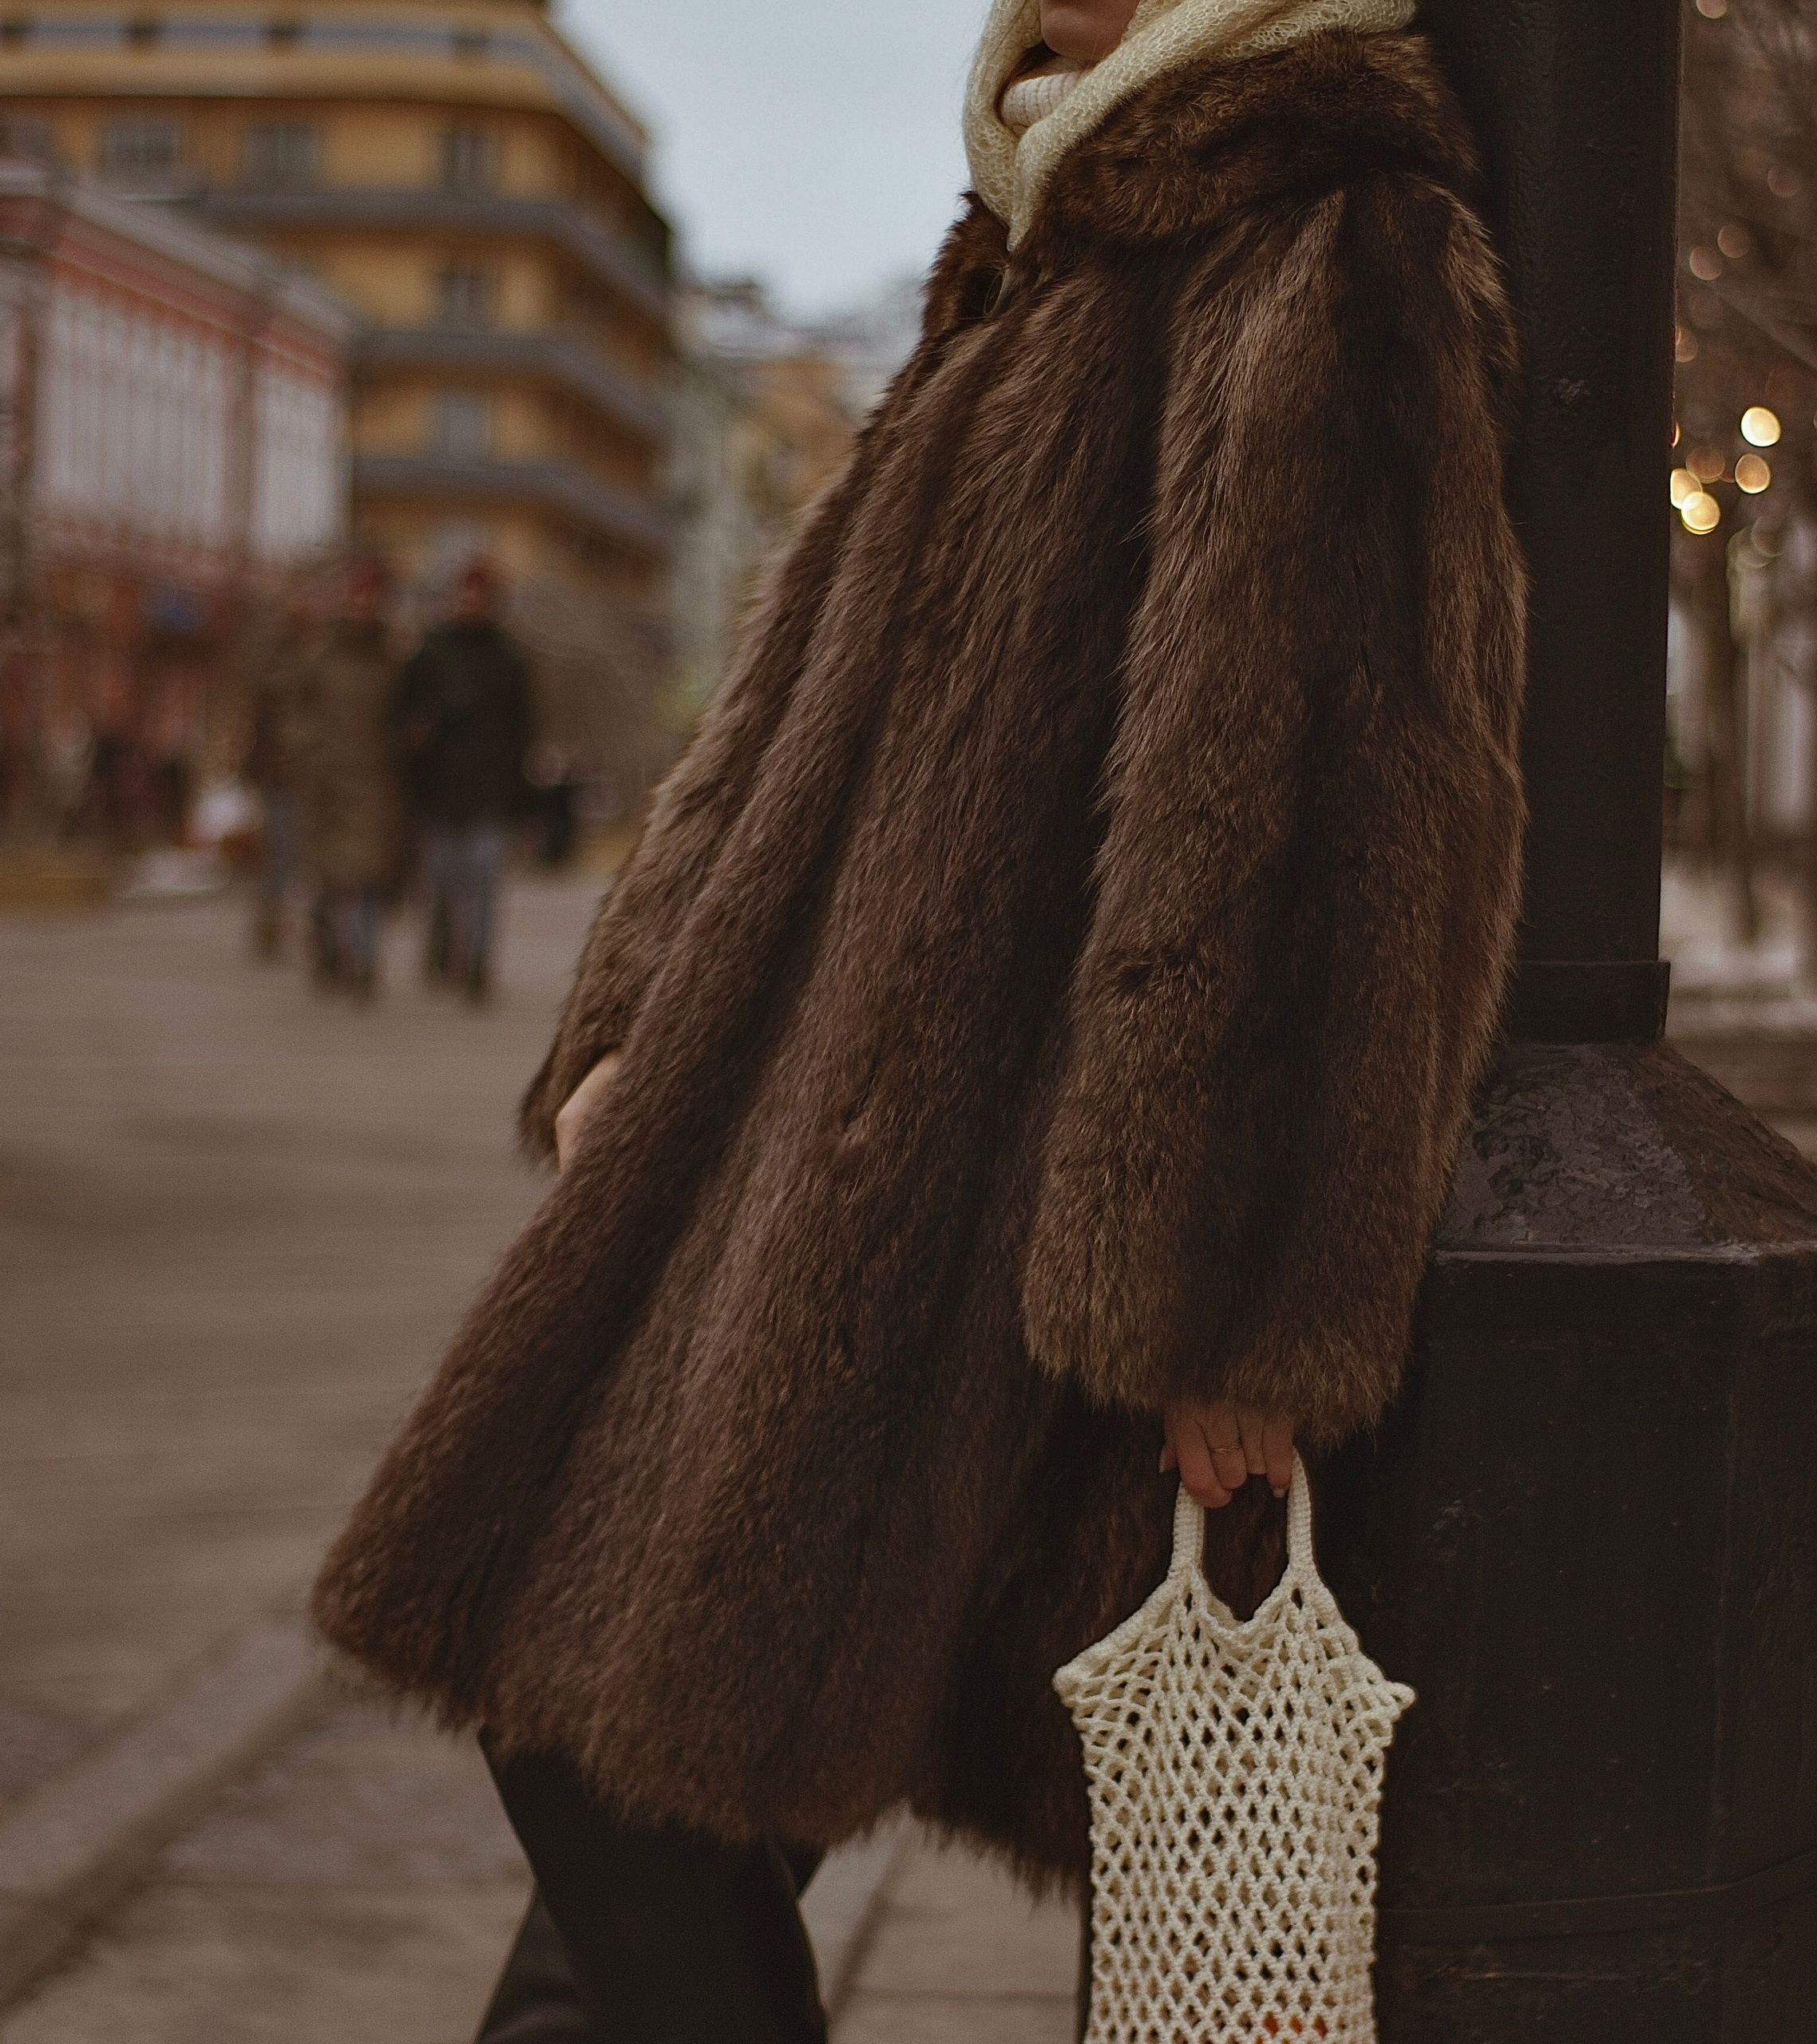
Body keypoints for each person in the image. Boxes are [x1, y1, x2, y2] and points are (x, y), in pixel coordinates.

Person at [315, 0, 1527, 2035]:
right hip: (809, 1132)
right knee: (634, 1780)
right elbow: (794, 693)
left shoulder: (1322, 227)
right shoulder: (1048, 225)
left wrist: (1226, 1293)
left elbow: (1332, 798)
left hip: (999, 1194)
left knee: (604, 1753)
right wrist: (629, 1004)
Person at [397, 560, 536, 1004]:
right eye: (465, 594)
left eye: (480, 596)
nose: (472, 603)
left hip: (488, 792)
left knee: (482, 882)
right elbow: (403, 715)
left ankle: (477, 964)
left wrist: (519, 795)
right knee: (440, 883)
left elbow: (523, 732)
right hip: (438, 790)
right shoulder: (432, 652)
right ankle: (441, 952)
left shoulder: (509, 660)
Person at [289, 559, 406, 1000]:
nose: (362, 607)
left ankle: (364, 961)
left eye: (370, 600)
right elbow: (297, 711)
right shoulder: (321, 657)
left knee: (370, 878)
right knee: (329, 880)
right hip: (327, 784)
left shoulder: (393, 662)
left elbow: (407, 717)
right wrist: (308, 749)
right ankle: (329, 948)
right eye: (356, 598)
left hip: (378, 785)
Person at [243, 598, 315, 960]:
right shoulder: (283, 667)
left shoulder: (301, 664)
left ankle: (278, 926)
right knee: (284, 853)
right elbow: (260, 726)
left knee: (289, 854)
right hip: (284, 776)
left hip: (299, 774)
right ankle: (272, 927)